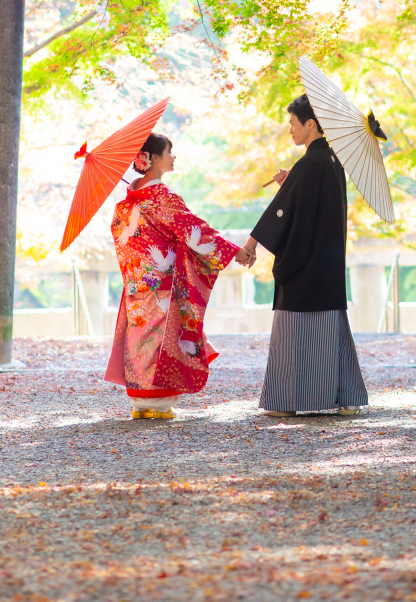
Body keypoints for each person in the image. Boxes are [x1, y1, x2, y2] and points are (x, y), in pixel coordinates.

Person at [105, 132, 251, 419]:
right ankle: (159, 403)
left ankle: (140, 404)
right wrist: (234, 251)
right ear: (154, 158)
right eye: (169, 152)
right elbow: (194, 230)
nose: (174, 157)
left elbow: (126, 245)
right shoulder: (162, 198)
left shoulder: (124, 205)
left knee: (139, 337)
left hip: (136, 285)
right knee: (161, 339)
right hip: (163, 285)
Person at [241, 94, 368, 417]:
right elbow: (302, 203)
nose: (290, 130)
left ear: (311, 124)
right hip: (326, 265)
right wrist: (290, 184)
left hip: (304, 266)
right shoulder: (333, 161)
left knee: (291, 334)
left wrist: (252, 244)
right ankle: (346, 396)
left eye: (293, 124)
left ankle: (286, 402)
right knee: (333, 331)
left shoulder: (309, 163)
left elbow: (281, 214)